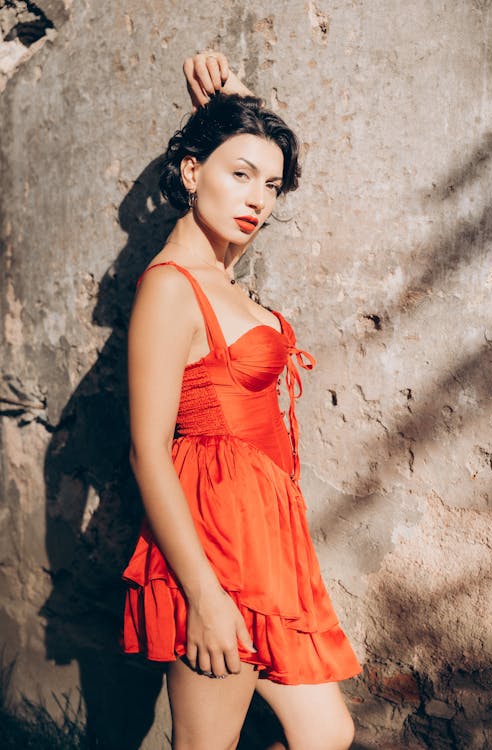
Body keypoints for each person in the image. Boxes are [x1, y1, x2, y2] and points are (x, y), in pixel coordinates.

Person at [121, 52, 362, 750]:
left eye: (273, 186)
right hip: (215, 543)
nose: (259, 198)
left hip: (268, 541)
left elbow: (254, 165)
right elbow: (147, 452)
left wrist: (242, 107)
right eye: (239, 175)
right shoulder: (172, 286)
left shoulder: (222, 270)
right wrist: (203, 594)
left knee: (325, 734)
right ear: (191, 172)